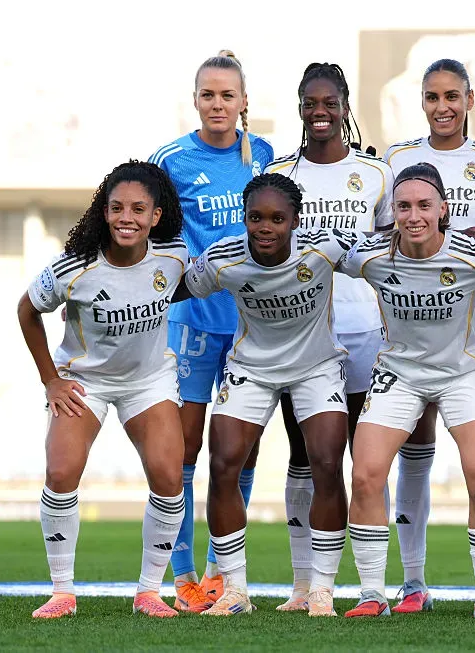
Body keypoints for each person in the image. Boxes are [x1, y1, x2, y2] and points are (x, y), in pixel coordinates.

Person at [338, 163, 475, 619]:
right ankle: (373, 592)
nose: (414, 215)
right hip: (399, 374)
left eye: (424, 206)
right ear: (391, 211)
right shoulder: (370, 255)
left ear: (444, 210)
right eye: (403, 206)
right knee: (365, 474)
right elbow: (316, 255)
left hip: (462, 374)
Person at [181, 173, 361, 616]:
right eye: (255, 218)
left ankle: (320, 591)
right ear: (244, 218)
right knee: (223, 464)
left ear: (295, 221)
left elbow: (382, 252)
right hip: (252, 369)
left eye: (277, 219)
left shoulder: (325, 246)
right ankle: (235, 591)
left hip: (316, 368)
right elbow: (178, 285)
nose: (265, 227)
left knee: (326, 463)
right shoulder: (223, 258)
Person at [18, 160, 189, 619]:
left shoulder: (173, 258)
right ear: (104, 211)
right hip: (84, 381)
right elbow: (27, 311)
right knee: (61, 472)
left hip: (148, 381)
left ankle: (149, 592)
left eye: (138, 208)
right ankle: (62, 592)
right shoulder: (75, 267)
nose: (125, 217)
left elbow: (189, 289)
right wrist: (50, 379)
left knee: (169, 477)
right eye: (116, 208)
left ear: (156, 216)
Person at [264, 62, 394, 611]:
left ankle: (370, 587)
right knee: (305, 457)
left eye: (330, 102)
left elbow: (392, 249)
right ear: (300, 109)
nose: (320, 112)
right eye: (310, 103)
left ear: (345, 107)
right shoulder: (280, 172)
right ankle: (304, 586)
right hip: (302, 335)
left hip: (365, 330)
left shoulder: (376, 173)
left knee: (365, 459)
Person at [148, 50, 275, 612]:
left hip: (253, 325)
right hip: (193, 323)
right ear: (195, 100)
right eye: (208, 94)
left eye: (228, 95)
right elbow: (148, 232)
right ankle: (181, 571)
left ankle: (226, 572)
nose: (218, 104)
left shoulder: (265, 155)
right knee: (184, 447)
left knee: (240, 451)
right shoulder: (170, 160)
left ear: (245, 102)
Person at [382, 58, 475, 613]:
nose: (442, 107)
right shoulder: (395, 162)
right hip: (413, 325)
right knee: (414, 447)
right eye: (432, 97)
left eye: (452, 96)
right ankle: (413, 582)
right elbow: (375, 237)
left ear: (470, 100)